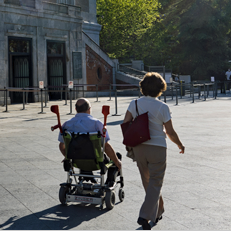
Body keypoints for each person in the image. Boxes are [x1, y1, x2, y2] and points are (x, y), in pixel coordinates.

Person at [122, 72, 185, 230]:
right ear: (160, 89)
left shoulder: (134, 103)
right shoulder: (163, 107)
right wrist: (179, 144)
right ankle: (145, 215)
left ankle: (159, 209)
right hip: (157, 147)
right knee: (155, 182)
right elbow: (170, 132)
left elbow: (125, 123)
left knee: (148, 181)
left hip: (139, 147)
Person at [58, 98, 122, 185]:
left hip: (76, 161)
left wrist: (67, 156)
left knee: (82, 152)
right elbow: (106, 147)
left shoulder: (67, 124)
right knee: (117, 156)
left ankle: (86, 173)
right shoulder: (97, 124)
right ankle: (110, 181)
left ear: (76, 109)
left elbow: (62, 145)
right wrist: (117, 161)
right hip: (97, 162)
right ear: (89, 109)